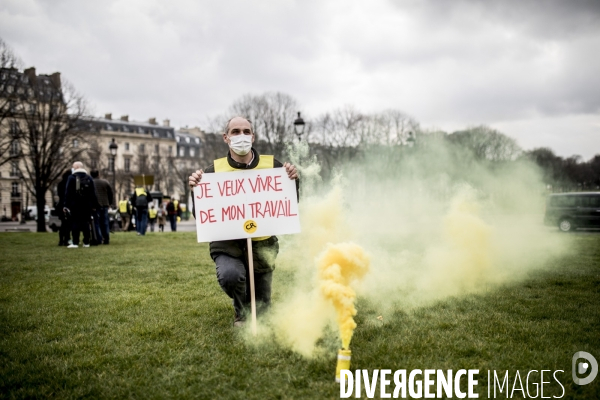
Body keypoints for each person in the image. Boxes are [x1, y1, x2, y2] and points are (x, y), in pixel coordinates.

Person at [188, 116, 298, 327]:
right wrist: (195, 188)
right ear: (226, 138)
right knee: (231, 276)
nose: (242, 136)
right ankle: (241, 310)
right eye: (236, 132)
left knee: (263, 313)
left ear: (253, 137)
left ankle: (253, 301)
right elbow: (202, 215)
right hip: (227, 244)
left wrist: (293, 180)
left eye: (246, 131)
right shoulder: (212, 172)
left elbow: (288, 205)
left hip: (262, 243)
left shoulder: (272, 167)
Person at [64, 161, 98, 248]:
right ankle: (86, 242)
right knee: (86, 223)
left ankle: (75, 242)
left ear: (76, 167)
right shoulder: (89, 178)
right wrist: (93, 205)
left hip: (75, 204)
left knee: (75, 222)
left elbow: (67, 192)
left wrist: (66, 205)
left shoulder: (71, 177)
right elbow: (93, 193)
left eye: (73, 167)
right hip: (87, 204)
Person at [90, 170, 114, 244]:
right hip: (105, 204)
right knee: (105, 222)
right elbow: (111, 193)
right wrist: (110, 202)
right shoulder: (105, 182)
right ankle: (106, 238)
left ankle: (99, 238)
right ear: (98, 174)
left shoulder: (91, 182)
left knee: (96, 223)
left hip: (95, 205)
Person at [56, 169, 72, 246]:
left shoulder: (60, 184)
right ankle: (67, 239)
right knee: (68, 224)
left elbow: (59, 194)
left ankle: (61, 240)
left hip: (61, 205)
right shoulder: (71, 183)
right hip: (69, 205)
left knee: (63, 223)